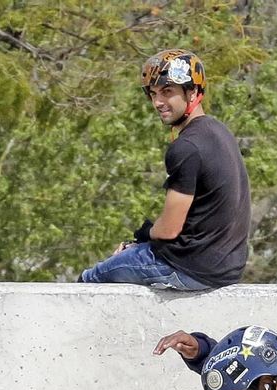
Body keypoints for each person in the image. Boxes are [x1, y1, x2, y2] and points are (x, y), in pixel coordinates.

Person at [79, 51, 252, 291]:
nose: (158, 102)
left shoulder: (187, 147)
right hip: (224, 267)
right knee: (133, 251)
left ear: (192, 92)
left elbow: (169, 230)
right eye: (153, 93)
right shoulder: (218, 131)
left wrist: (145, 235)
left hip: (190, 268)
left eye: (167, 91)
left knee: (91, 278)